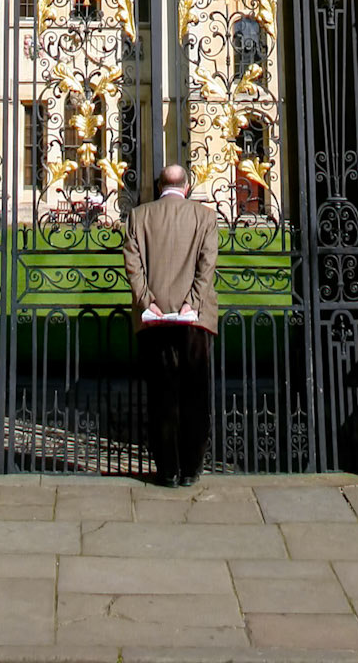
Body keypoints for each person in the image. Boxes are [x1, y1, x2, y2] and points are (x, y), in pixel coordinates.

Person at [121, 164, 218, 486]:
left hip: (154, 317)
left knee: (162, 395)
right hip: (195, 319)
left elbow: (133, 266)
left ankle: (167, 469)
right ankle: (191, 468)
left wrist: (147, 300)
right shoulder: (204, 217)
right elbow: (207, 265)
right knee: (195, 394)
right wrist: (193, 301)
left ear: (159, 185)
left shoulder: (139, 216)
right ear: (187, 187)